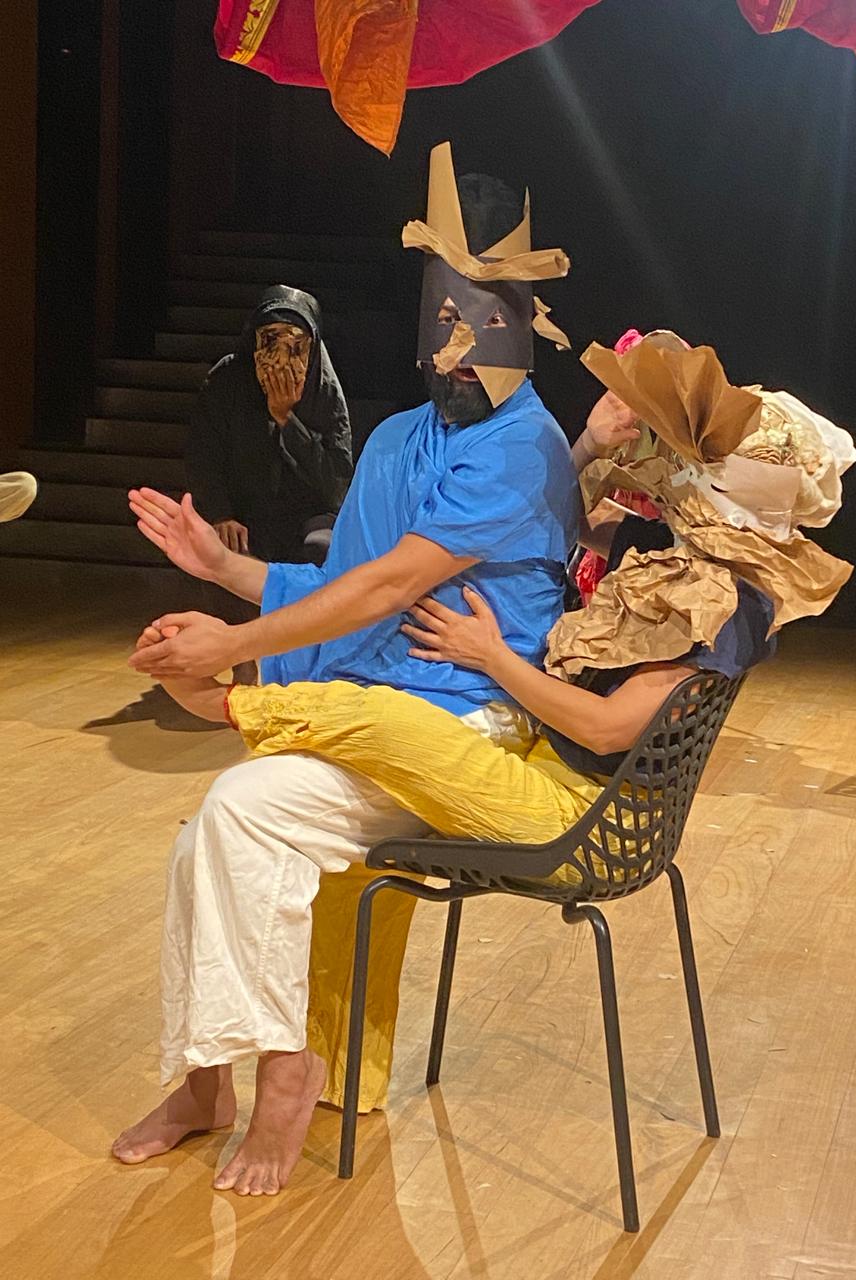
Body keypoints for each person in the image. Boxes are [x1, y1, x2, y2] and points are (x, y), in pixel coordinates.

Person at [112, 142, 579, 1196]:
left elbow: (389, 587)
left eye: (481, 327)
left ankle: (283, 1076)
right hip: (367, 707)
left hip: (462, 724)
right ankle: (206, 1081)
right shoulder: (398, 440)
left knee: (238, 812)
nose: (456, 354)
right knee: (211, 836)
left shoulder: (525, 448)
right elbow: (346, 587)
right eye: (442, 324)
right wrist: (224, 568)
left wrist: (233, 647)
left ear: (519, 325)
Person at [145, 330, 856, 877]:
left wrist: (492, 657)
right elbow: (518, 529)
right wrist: (226, 567)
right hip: (547, 770)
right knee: (353, 744)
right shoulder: (683, 566)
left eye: (695, 467)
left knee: (384, 722)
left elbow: (607, 729)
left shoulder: (723, 601)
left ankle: (232, 704)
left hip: (583, 818)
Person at [185, 284, 353, 565]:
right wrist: (221, 514)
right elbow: (203, 457)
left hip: (306, 516)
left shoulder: (323, 392)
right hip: (242, 510)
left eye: (295, 347)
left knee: (321, 548)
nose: (281, 360)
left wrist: (286, 419)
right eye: (270, 341)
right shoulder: (227, 381)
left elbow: (336, 485)